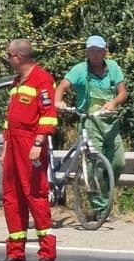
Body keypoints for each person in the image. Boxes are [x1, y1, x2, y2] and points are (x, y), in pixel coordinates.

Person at [0, 38, 60, 261]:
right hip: (13, 144)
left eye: (9, 55)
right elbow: (9, 120)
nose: (8, 59)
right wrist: (5, 149)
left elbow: (48, 115)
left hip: (29, 143)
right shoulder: (17, 82)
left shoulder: (41, 79)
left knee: (35, 194)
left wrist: (38, 142)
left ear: (18, 56)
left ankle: (46, 253)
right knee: (12, 197)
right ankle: (16, 253)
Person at [54, 35, 128, 187]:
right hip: (90, 122)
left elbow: (123, 93)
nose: (95, 53)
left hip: (110, 122)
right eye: (91, 50)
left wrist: (113, 102)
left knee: (119, 162)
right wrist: (58, 102)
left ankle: (105, 189)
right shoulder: (80, 70)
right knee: (94, 164)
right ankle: (99, 206)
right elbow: (61, 87)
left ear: (104, 52)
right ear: (87, 53)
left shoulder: (113, 67)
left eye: (98, 50)